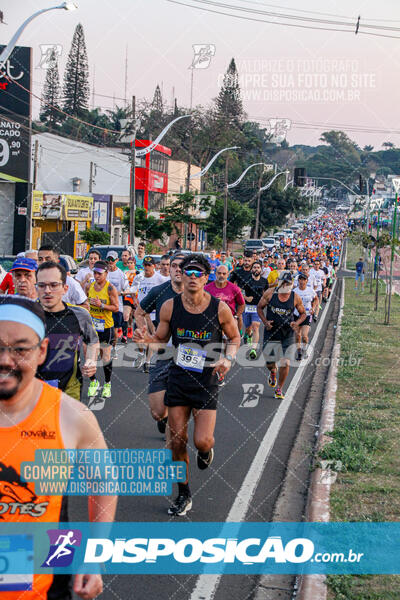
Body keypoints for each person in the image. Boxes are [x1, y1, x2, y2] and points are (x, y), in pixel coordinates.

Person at [0, 295, 117, 599]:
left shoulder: (71, 416)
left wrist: (94, 557)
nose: (5, 359)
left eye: (20, 349)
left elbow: (103, 481)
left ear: (41, 352)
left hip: (44, 582)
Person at [134, 254, 240, 516]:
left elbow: (235, 337)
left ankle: (206, 452)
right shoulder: (170, 306)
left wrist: (227, 359)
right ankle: (184, 494)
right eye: (187, 272)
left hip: (206, 380)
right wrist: (146, 341)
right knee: (177, 442)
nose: (191, 277)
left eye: (197, 273)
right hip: (179, 377)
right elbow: (161, 338)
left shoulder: (219, 308)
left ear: (206, 278)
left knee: (202, 441)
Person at [134, 253, 185, 435]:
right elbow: (139, 313)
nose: (178, 269)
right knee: (157, 412)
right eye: (174, 266)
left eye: (182, 266)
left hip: (188, 355)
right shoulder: (159, 291)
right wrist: (145, 333)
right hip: (163, 352)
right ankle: (163, 418)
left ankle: (177, 429)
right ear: (168, 269)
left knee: (182, 400)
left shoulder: (197, 292)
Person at [36, 261, 100, 401]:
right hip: (33, 392)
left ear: (65, 288)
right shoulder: (26, 315)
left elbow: (93, 341)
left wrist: (91, 360)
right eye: (42, 285)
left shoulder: (79, 314)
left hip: (69, 392)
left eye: (53, 285)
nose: (47, 290)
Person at [257, 272, 306, 400]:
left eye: (288, 283)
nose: (286, 285)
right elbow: (259, 308)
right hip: (271, 332)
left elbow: (303, 314)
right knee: (269, 362)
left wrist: (297, 323)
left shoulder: (295, 297)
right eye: (283, 283)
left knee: (285, 362)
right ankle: (273, 372)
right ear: (279, 282)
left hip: (287, 333)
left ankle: (279, 388)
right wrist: (265, 322)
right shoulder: (270, 293)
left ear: (291, 284)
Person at [86, 260, 119, 398]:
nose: (97, 275)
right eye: (95, 273)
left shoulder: (110, 288)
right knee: (90, 357)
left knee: (105, 357)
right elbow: (85, 302)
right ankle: (93, 382)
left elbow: (116, 307)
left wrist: (102, 306)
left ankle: (107, 383)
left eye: (99, 273)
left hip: (106, 327)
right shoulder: (89, 286)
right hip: (93, 327)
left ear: (106, 273)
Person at [132, 256, 167, 371]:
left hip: (154, 313)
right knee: (139, 334)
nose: (147, 268)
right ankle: (141, 353)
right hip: (141, 313)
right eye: (145, 265)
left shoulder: (160, 278)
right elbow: (133, 290)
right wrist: (135, 300)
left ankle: (147, 362)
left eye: (149, 265)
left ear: (154, 266)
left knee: (152, 336)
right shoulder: (139, 277)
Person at [38, 245, 89, 310]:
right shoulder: (33, 281)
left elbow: (86, 306)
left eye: (48, 259)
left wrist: (63, 313)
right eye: (40, 259)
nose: (43, 262)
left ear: (57, 261)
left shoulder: (69, 282)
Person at [205, 264, 245, 334]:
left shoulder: (234, 289)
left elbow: (242, 304)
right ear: (215, 274)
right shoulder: (206, 288)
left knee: (229, 343)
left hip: (228, 321)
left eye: (224, 274)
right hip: (212, 321)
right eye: (219, 273)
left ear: (228, 275)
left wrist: (236, 317)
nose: (221, 276)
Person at [242, 260, 269, 360]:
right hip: (247, 307)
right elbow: (239, 292)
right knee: (248, 328)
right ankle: (247, 335)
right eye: (254, 267)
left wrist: (264, 301)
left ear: (261, 270)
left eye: (258, 267)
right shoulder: (246, 280)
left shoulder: (264, 281)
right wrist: (246, 298)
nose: (256, 269)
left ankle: (253, 349)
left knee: (255, 326)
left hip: (258, 308)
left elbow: (267, 293)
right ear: (251, 269)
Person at [105, 250, 128, 353]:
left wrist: (117, 293)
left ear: (117, 260)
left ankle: (113, 348)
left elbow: (126, 290)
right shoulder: (103, 273)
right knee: (103, 329)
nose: (110, 262)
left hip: (116, 306)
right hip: (104, 305)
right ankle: (104, 348)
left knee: (114, 329)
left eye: (112, 260)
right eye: (108, 259)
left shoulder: (121, 274)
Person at [292, 272, 318, 360]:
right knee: (297, 335)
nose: (302, 281)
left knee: (304, 335)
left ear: (307, 281)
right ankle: (299, 352)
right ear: (298, 281)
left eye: (304, 280)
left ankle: (305, 349)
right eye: (300, 280)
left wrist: (313, 308)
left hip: (307, 315)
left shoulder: (310, 290)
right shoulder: (295, 291)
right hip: (297, 315)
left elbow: (316, 299)